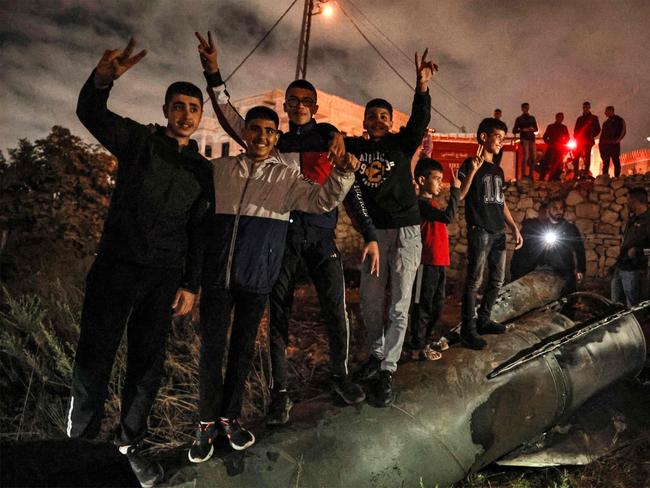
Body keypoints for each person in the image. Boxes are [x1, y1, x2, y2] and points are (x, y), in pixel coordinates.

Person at [195, 32, 374, 426]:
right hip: (283, 239)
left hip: (322, 236)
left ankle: (340, 378)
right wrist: (214, 76)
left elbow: (348, 188)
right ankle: (280, 394)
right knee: (279, 317)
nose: (297, 106)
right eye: (291, 100)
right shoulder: (272, 140)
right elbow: (232, 121)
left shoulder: (329, 136)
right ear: (285, 106)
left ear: (314, 105)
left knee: (335, 311)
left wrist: (370, 234)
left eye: (304, 101)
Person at [67, 39, 213, 487]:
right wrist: (101, 81)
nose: (185, 114)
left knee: (147, 365)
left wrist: (191, 284)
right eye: (178, 106)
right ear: (165, 109)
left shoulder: (202, 170)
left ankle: (130, 446)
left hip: (164, 276)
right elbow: (90, 113)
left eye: (193, 108)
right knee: (94, 356)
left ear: (200, 116)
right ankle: (79, 447)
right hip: (117, 266)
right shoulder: (138, 141)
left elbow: (199, 231)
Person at [189, 103, 360, 462]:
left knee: (242, 350)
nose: (261, 136)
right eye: (255, 129)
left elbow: (320, 200)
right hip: (218, 276)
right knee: (212, 351)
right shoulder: (220, 170)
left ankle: (229, 418)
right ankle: (205, 424)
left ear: (276, 138)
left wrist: (343, 174)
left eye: (269, 131)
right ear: (245, 133)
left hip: (256, 278)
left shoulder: (285, 177)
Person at [346, 49, 436, 406]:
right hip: (373, 235)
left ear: (389, 120)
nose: (379, 120)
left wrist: (422, 86)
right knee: (369, 299)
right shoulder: (354, 148)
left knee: (399, 304)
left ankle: (388, 369)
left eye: (384, 115)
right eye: (373, 116)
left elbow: (419, 119)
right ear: (365, 121)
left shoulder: (402, 143)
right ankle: (377, 353)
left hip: (406, 232)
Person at [458, 118, 523, 350]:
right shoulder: (469, 164)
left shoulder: (498, 170)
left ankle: (484, 320)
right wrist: (473, 171)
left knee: (497, 280)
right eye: (497, 136)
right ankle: (468, 329)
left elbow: (501, 201)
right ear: (484, 137)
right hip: (480, 230)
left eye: (503, 137)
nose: (501, 141)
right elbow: (460, 196)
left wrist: (513, 227)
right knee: (474, 281)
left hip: (498, 232)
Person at [409, 158, 460, 361]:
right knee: (423, 305)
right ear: (422, 180)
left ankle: (428, 340)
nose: (440, 183)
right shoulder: (421, 204)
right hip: (426, 262)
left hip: (439, 262)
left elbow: (450, 210)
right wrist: (455, 191)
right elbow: (448, 217)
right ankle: (417, 345)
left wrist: (463, 183)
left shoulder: (433, 203)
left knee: (437, 305)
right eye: (437, 179)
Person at [536, 197, 586, 295]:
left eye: (561, 208)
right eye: (555, 208)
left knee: (568, 302)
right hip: (545, 272)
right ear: (548, 210)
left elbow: (579, 250)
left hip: (566, 273)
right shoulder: (541, 228)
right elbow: (533, 251)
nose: (559, 211)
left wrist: (581, 270)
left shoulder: (570, 229)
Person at [611, 187, 650, 307]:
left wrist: (638, 251)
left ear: (636, 201)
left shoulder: (648, 221)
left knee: (633, 306)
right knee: (615, 304)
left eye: (628, 200)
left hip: (635, 270)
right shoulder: (632, 220)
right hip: (621, 267)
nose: (627, 203)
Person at [510, 203, 548, 280]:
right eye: (544, 212)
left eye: (548, 213)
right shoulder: (529, 226)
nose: (546, 215)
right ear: (539, 213)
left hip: (533, 266)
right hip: (521, 265)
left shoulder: (548, 228)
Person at [573, 102, 600, 177]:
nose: (585, 109)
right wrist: (576, 137)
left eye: (587, 107)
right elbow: (576, 130)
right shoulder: (580, 119)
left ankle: (586, 174)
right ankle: (576, 174)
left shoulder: (594, 118)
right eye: (584, 107)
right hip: (580, 141)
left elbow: (598, 129)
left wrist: (591, 135)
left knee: (587, 157)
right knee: (576, 157)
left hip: (588, 141)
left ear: (589, 107)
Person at [512, 103, 538, 179]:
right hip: (524, 139)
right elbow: (514, 130)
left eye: (527, 108)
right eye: (525, 108)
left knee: (533, 157)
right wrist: (522, 129)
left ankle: (531, 175)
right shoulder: (519, 119)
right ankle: (523, 175)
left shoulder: (532, 118)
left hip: (532, 139)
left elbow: (536, 129)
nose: (527, 109)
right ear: (522, 108)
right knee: (526, 156)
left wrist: (532, 129)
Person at [599, 106, 626, 177]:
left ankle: (617, 177)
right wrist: (601, 145)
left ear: (611, 111)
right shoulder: (605, 123)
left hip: (614, 146)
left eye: (606, 111)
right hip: (606, 146)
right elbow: (602, 136)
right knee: (606, 163)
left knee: (616, 161)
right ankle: (605, 177)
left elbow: (623, 131)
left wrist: (617, 141)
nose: (605, 113)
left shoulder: (619, 120)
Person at [542, 113, 570, 181]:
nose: (560, 119)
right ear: (556, 117)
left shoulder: (563, 128)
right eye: (559, 117)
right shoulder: (551, 127)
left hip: (559, 148)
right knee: (547, 163)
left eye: (561, 118)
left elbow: (567, 137)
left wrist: (563, 143)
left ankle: (554, 178)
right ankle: (545, 178)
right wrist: (550, 143)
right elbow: (545, 137)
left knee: (558, 164)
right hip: (552, 148)